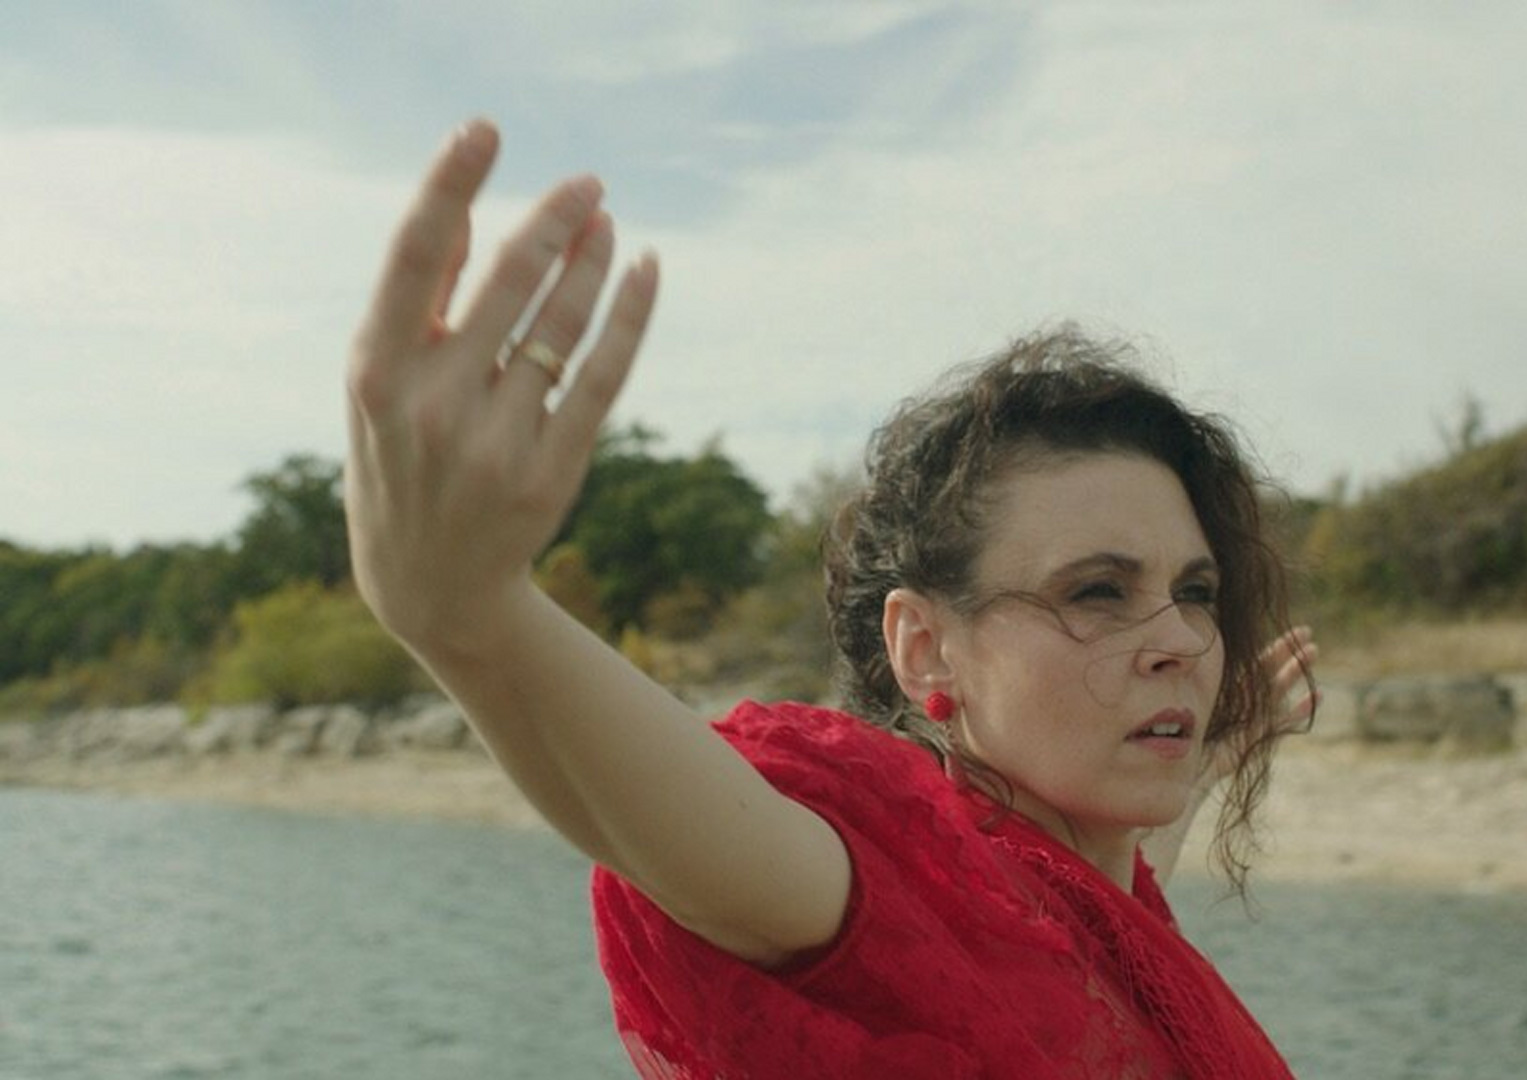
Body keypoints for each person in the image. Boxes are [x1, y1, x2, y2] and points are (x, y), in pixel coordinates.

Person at [345, 119, 1318, 1079]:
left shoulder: (1103, 897)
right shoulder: (883, 892)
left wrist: (1210, 755)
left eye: (1195, 593)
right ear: (927, 648)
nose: (1181, 642)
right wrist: (468, 613)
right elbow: (696, 838)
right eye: (1098, 592)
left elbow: (1088, 940)